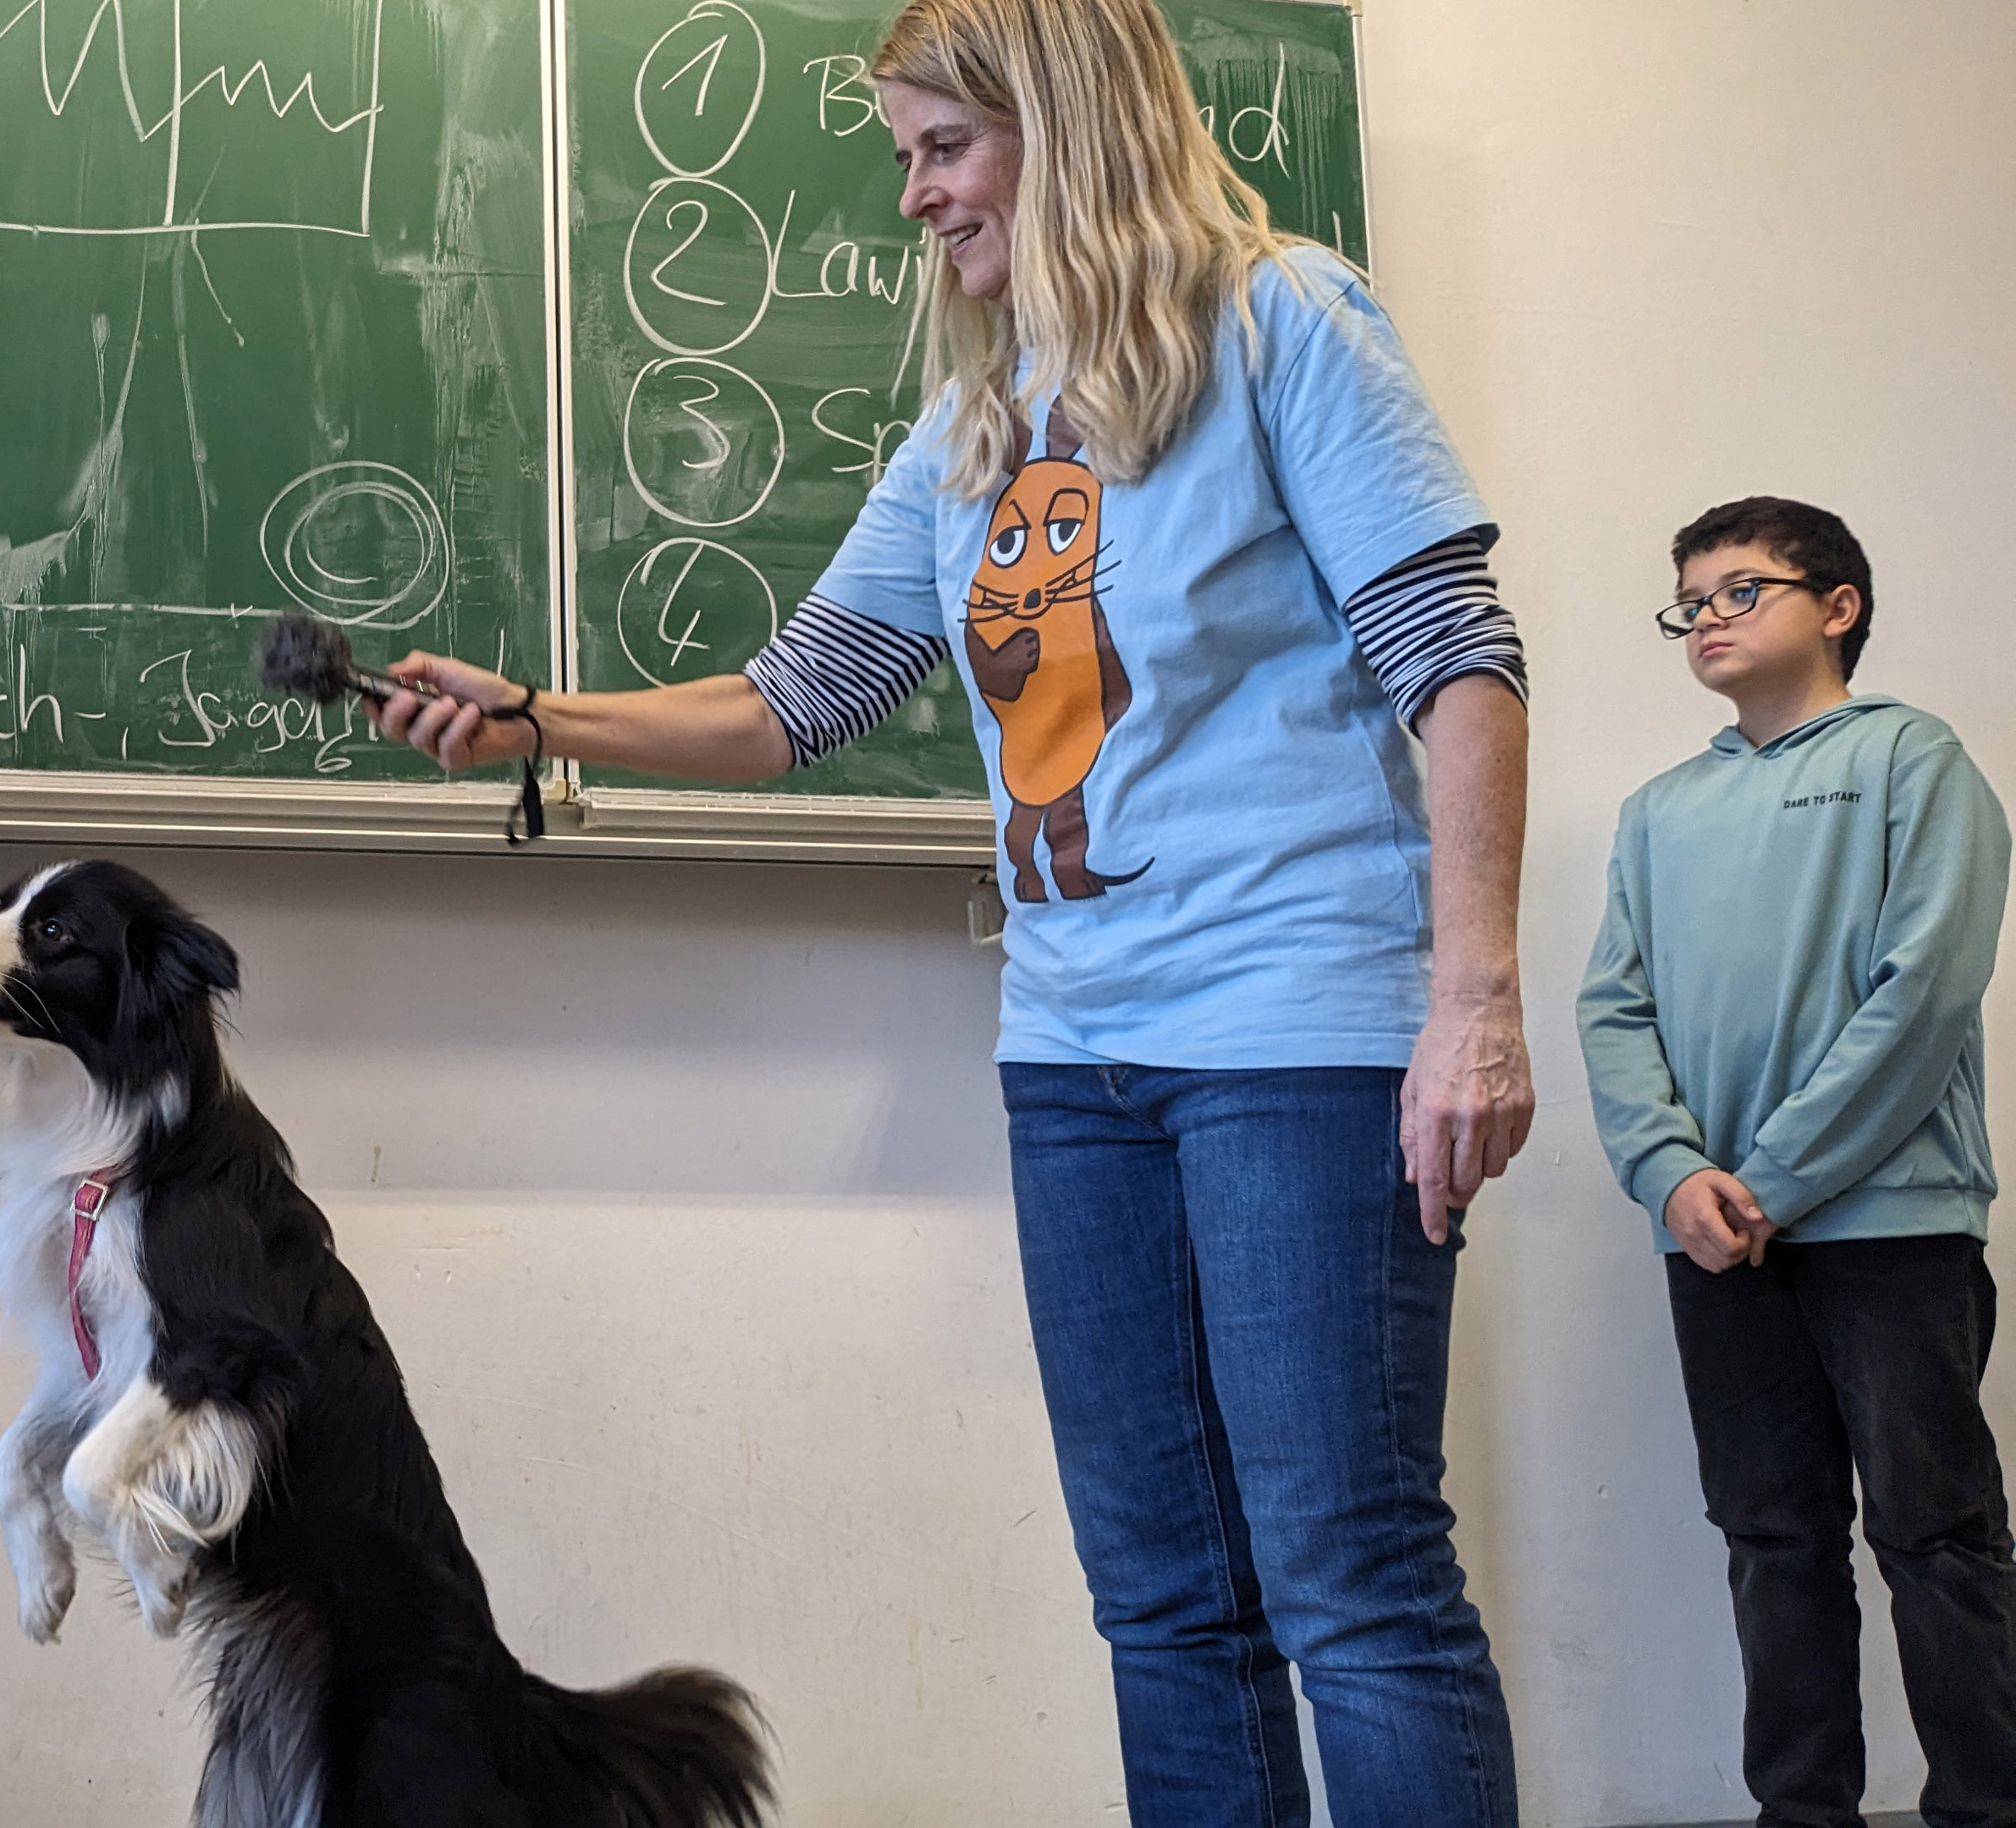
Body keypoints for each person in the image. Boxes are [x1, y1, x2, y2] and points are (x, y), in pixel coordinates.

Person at [375, 0, 1532, 1818]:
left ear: (1061, 124)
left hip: (1296, 1032)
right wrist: (538, 716)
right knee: (1163, 1600)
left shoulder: (1286, 320)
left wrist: (1475, 1000)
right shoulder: (977, 421)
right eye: (906, 155)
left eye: (944, 149)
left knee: (1349, 1583)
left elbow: (1458, 660)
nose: (915, 198)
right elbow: (792, 701)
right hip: (1074, 1053)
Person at [1578, 497, 2016, 1828]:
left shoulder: (1912, 761)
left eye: (1740, 591)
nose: (1708, 618)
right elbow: (1614, 1008)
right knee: (1772, 1541)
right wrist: (1673, 1177)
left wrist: (1769, 1176)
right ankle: (1802, 1811)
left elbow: (1924, 991)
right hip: (1713, 1234)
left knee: (1935, 1538)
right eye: (1690, 601)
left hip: (1888, 1228)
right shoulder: (1660, 811)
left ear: (1838, 606)